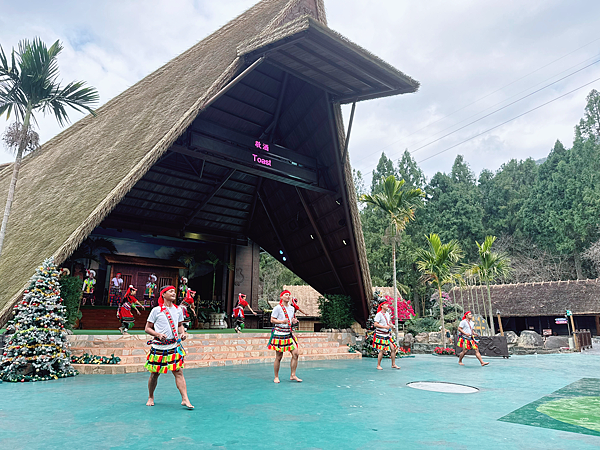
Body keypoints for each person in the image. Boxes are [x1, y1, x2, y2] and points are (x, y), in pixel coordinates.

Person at [144, 285, 194, 409]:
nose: (173, 293)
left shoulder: (178, 310)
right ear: (163, 294)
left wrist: (182, 333)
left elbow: (179, 325)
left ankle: (185, 399)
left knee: (178, 372)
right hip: (159, 347)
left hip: (173, 346)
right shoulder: (156, 310)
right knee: (154, 374)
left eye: (174, 291)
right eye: (170, 291)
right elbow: (147, 328)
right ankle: (150, 396)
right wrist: (158, 334)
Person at [268, 290, 301, 383]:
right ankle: (276, 376)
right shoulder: (277, 308)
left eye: (289, 295)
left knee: (296, 353)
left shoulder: (291, 308)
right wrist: (282, 322)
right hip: (279, 333)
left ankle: (293, 375)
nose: (288, 296)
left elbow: (290, 319)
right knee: (279, 357)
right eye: (286, 295)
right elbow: (272, 320)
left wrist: (293, 320)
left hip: (288, 334)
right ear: (281, 297)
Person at [373, 298, 400, 370]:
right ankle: (378, 365)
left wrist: (390, 325)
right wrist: (384, 327)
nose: (387, 305)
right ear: (382, 306)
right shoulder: (379, 314)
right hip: (381, 335)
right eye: (386, 304)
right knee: (382, 350)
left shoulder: (387, 314)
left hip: (387, 334)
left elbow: (388, 322)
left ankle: (393, 364)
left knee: (393, 348)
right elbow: (375, 324)